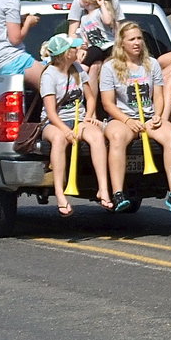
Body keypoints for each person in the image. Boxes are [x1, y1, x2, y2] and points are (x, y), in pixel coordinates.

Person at [101, 22, 171, 212]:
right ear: (122, 43)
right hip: (123, 118)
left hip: (148, 117)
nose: (137, 43)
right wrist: (128, 121)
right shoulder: (110, 67)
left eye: (139, 38)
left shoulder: (152, 64)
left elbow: (159, 96)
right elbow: (108, 104)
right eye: (132, 39)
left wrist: (157, 115)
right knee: (117, 137)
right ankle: (118, 193)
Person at [39, 34, 112, 216]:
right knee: (58, 139)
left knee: (96, 136)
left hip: (79, 118)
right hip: (55, 122)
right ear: (65, 53)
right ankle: (60, 193)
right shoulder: (49, 75)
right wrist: (67, 131)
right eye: (74, 48)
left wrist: (87, 117)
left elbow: (90, 97)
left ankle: (103, 188)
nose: (78, 50)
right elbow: (51, 113)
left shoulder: (77, 69)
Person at [72, 0, 118, 99]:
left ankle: (79, 72)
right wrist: (83, 45)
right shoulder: (83, 19)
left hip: (108, 45)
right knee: (92, 52)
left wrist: (102, 5)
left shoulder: (98, 12)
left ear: (87, 2)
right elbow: (85, 38)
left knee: (92, 57)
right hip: (95, 48)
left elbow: (108, 20)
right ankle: (80, 75)